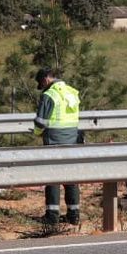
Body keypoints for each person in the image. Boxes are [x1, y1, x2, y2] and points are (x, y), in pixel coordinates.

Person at [31, 67, 81, 227]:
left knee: (53, 177)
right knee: (70, 177)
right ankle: (74, 215)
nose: (42, 87)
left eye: (41, 84)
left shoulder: (49, 94)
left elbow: (41, 122)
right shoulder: (71, 91)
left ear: (46, 79)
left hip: (53, 139)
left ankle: (52, 216)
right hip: (72, 139)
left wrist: (36, 133)